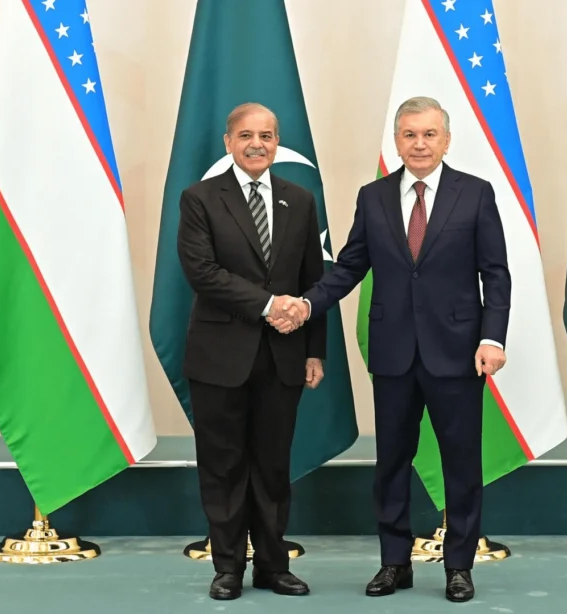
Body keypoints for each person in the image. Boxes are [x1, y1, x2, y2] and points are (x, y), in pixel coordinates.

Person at [268, 96, 510, 603]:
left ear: (447, 140)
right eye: (409, 134)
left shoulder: (476, 193)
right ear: (396, 141)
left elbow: (495, 274)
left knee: (462, 465)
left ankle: (459, 567)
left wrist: (492, 338)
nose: (419, 144)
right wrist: (307, 305)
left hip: (458, 353)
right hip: (394, 353)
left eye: (429, 134)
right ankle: (394, 563)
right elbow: (349, 267)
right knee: (391, 464)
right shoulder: (373, 196)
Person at [176, 102, 326, 601]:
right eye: (246, 135)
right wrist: (268, 304)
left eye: (266, 135)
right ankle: (227, 568)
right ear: (229, 143)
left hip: (284, 356)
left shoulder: (300, 200)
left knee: (273, 466)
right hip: (219, 356)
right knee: (223, 466)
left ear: (277, 142)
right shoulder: (199, 199)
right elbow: (202, 273)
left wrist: (315, 349)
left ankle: (273, 566)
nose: (256, 144)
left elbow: (313, 280)